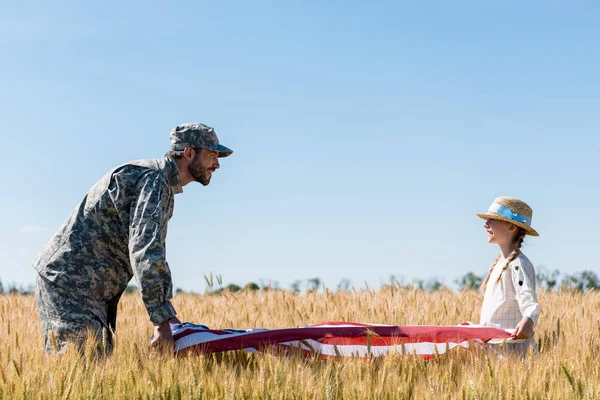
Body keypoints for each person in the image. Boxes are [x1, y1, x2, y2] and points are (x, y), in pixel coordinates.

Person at [33, 122, 233, 354]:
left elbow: (151, 251)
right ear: (189, 153)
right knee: (82, 369)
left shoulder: (159, 183)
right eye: (212, 155)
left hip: (85, 290)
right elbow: (145, 250)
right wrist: (162, 320)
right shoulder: (153, 179)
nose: (217, 164)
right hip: (72, 286)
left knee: (94, 368)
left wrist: (169, 317)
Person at [476, 196, 542, 357]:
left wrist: (529, 319)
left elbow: (529, 301)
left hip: (512, 352)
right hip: (494, 349)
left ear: (511, 227)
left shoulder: (518, 264)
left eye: (492, 220)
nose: (485, 224)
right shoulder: (498, 264)